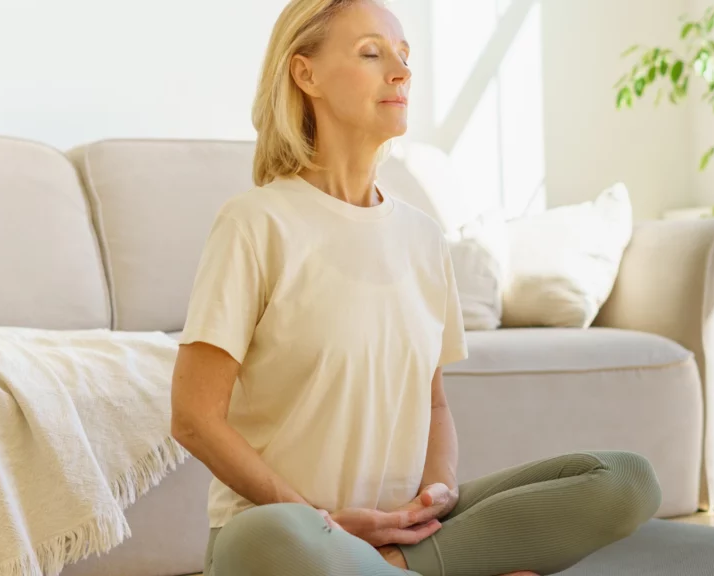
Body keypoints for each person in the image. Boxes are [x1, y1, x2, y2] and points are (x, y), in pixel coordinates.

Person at [170, 1, 662, 574]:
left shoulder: (424, 237)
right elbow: (193, 417)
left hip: (404, 531)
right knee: (273, 537)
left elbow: (433, 402)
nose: (401, 72)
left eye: (404, 56)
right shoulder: (256, 223)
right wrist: (324, 519)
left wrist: (437, 495)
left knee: (625, 480)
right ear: (306, 75)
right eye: (372, 53)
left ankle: (400, 565)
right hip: (292, 537)